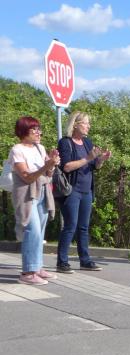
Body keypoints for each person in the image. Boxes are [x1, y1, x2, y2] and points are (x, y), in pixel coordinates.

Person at [55, 112, 111, 273]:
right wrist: (88, 158)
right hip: (71, 191)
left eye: (88, 123)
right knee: (70, 226)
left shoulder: (87, 142)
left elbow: (94, 166)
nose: (88, 126)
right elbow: (66, 167)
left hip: (87, 191)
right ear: (75, 124)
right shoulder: (65, 143)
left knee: (83, 227)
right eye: (85, 123)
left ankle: (85, 261)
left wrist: (101, 160)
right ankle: (62, 262)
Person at [9, 116, 59, 285]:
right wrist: (47, 165)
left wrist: (52, 163)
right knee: (33, 231)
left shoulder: (40, 148)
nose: (39, 133)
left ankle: (37, 268)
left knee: (40, 232)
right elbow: (26, 177)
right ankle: (27, 272)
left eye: (39, 129)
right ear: (24, 131)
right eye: (34, 130)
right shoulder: (17, 150)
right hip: (26, 195)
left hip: (42, 192)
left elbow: (48, 174)